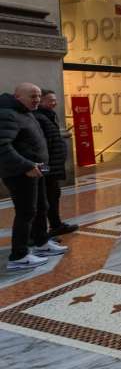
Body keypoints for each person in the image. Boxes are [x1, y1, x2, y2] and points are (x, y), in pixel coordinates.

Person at [0, 83, 68, 270]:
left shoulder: (25, 112)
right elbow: (3, 146)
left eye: (38, 96)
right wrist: (27, 165)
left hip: (38, 169)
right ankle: (19, 256)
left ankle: (42, 243)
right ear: (18, 96)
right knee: (26, 212)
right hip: (21, 173)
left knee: (41, 206)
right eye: (32, 96)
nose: (37, 99)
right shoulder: (8, 114)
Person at [33, 90, 78, 237]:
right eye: (51, 100)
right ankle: (41, 232)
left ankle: (56, 224)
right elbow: (41, 145)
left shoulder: (48, 116)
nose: (55, 103)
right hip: (46, 166)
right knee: (46, 198)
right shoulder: (39, 117)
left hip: (52, 166)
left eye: (55, 100)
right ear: (41, 101)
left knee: (53, 195)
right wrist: (44, 167)